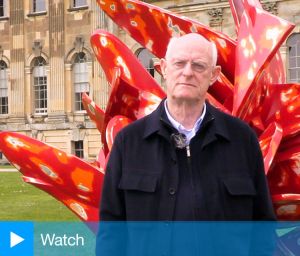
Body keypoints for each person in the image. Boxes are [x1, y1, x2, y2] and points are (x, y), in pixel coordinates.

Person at [97, 33, 276, 255]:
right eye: (179, 63)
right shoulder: (129, 141)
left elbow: (262, 228)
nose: (188, 72)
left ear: (214, 75)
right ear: (163, 68)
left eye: (199, 66)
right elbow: (111, 233)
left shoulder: (242, 139)